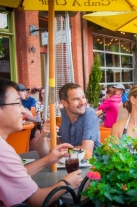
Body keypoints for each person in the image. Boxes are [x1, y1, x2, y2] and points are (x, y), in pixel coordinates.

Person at [0, 78, 82, 206]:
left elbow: (17, 174)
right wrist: (66, 183)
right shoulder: (2, 152)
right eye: (17, 103)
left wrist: (49, 158)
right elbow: (39, 200)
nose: (23, 110)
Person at [37, 83, 100, 157]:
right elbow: (44, 154)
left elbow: (86, 152)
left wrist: (61, 150)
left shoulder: (89, 114)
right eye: (76, 99)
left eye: (83, 97)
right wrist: (42, 137)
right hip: (66, 164)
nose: (82, 102)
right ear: (64, 103)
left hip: (91, 165)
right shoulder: (58, 116)